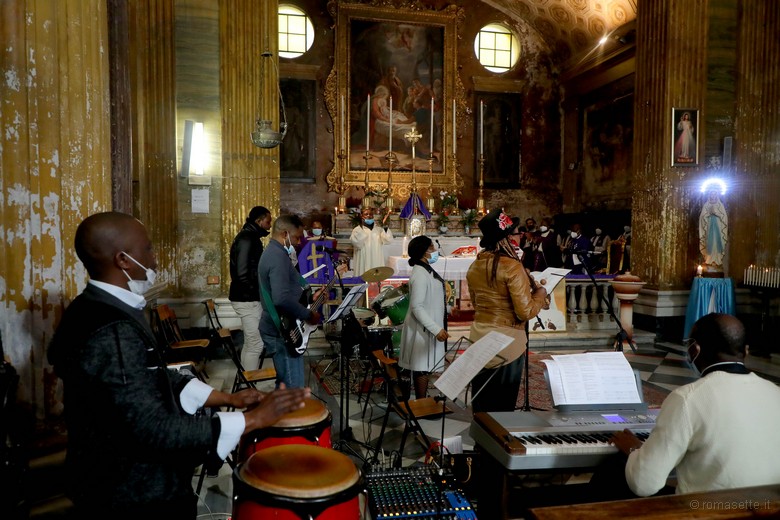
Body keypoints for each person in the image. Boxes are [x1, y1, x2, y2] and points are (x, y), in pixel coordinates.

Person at [47, 212, 309, 519]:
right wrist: (250, 420)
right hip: (130, 493)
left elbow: (151, 376)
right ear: (123, 260)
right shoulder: (112, 330)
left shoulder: (98, 307)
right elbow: (151, 429)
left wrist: (226, 398)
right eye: (147, 249)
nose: (155, 259)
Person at [611, 313, 780, 497]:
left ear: (694, 350)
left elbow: (643, 484)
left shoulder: (687, 398)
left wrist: (635, 449)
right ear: (745, 351)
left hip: (705, 508)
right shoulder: (775, 392)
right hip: (769, 507)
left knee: (612, 471)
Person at [466, 209, 549, 412]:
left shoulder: (475, 265)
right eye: (518, 233)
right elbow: (525, 312)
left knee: (482, 401)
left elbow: (477, 304)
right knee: (501, 406)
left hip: (479, 337)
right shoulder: (512, 266)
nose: (521, 236)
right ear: (508, 238)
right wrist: (540, 294)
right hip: (506, 342)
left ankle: (480, 432)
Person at [258, 214, 321, 389]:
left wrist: (309, 297)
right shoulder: (277, 257)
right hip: (281, 329)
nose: (299, 242)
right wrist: (307, 314)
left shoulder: (277, 253)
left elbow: (289, 288)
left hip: (284, 324)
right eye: (296, 237)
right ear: (284, 234)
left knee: (285, 384)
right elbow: (281, 298)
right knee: (294, 388)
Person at [397, 236, 449, 399]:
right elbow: (417, 307)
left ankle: (421, 402)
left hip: (426, 326)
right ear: (423, 252)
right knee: (421, 367)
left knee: (423, 367)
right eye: (431, 248)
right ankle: (420, 403)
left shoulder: (425, 269)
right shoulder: (420, 274)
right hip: (421, 328)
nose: (435, 251)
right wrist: (436, 329)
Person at [229, 206, 272, 371]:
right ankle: (250, 383)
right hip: (247, 298)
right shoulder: (247, 239)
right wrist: (257, 292)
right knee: (256, 344)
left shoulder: (250, 237)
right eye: (268, 221)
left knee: (250, 343)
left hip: (248, 297)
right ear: (259, 221)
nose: (269, 225)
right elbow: (242, 274)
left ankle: (246, 379)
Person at [350, 206, 393, 276]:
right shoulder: (357, 230)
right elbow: (356, 243)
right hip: (363, 260)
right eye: (366, 214)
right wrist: (362, 228)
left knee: (376, 278)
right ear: (361, 216)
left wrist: (385, 226)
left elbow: (388, 240)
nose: (369, 216)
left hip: (376, 260)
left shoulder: (379, 230)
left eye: (371, 214)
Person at [698, 188, 728, 271]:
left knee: (717, 242)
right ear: (709, 195)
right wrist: (709, 214)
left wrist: (716, 213)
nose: (713, 196)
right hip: (709, 227)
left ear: (717, 195)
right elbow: (702, 217)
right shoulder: (706, 205)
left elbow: (724, 218)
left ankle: (717, 260)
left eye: (715, 194)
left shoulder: (720, 205)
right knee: (709, 241)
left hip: (718, 227)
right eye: (712, 194)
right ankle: (709, 259)